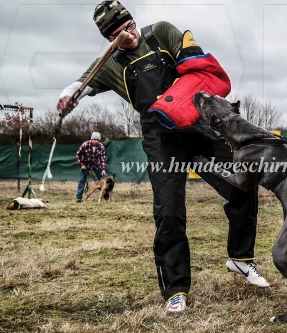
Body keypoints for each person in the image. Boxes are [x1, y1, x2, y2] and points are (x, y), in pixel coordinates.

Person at [56, 1, 269, 312]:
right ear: (107, 40)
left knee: (243, 185)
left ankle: (240, 258)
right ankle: (175, 290)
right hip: (159, 139)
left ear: (132, 20)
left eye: (128, 27)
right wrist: (68, 96)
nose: (127, 36)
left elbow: (197, 69)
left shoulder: (161, 33)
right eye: (117, 35)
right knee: (169, 213)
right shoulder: (110, 64)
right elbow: (80, 85)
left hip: (197, 127)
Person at [75, 131, 109, 202]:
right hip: (86, 164)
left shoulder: (101, 147)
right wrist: (81, 164)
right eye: (95, 139)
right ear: (91, 139)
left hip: (96, 164)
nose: (96, 141)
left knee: (104, 178)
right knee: (82, 179)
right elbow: (78, 155)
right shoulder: (85, 145)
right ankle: (79, 197)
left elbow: (102, 159)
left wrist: (103, 169)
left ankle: (106, 195)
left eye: (98, 140)